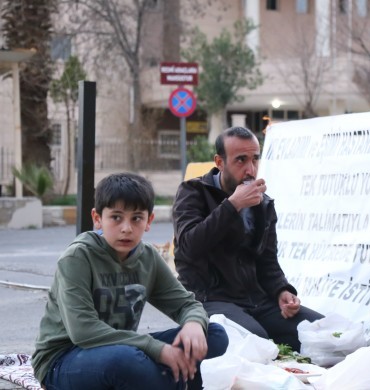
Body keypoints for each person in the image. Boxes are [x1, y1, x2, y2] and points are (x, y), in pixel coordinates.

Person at [31, 173, 229, 390]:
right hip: (63, 359)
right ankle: (173, 382)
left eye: (136, 218)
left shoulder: (147, 257)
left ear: (149, 221)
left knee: (214, 334)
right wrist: (157, 349)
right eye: (116, 217)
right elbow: (83, 331)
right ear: (97, 218)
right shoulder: (77, 258)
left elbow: (187, 304)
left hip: (122, 349)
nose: (126, 228)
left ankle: (162, 381)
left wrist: (193, 323)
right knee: (126, 361)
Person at [172, 126, 323, 351]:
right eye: (240, 160)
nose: (250, 169)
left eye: (255, 159)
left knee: (324, 331)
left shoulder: (263, 203)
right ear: (220, 162)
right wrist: (233, 205)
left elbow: (268, 262)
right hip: (209, 299)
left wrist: (282, 291)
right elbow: (188, 248)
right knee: (257, 344)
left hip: (258, 301)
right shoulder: (193, 192)